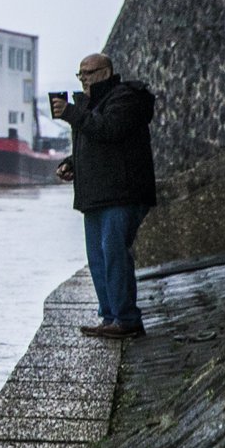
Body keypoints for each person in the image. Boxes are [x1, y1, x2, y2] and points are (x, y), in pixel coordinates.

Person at [52, 54, 156, 339]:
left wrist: (72, 112)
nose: (84, 77)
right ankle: (110, 316)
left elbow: (109, 130)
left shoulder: (125, 98)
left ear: (107, 72)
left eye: (89, 72)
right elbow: (96, 144)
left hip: (122, 194)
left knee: (114, 255)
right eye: (80, 73)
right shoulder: (89, 105)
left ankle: (127, 319)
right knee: (98, 258)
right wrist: (72, 163)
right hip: (96, 196)